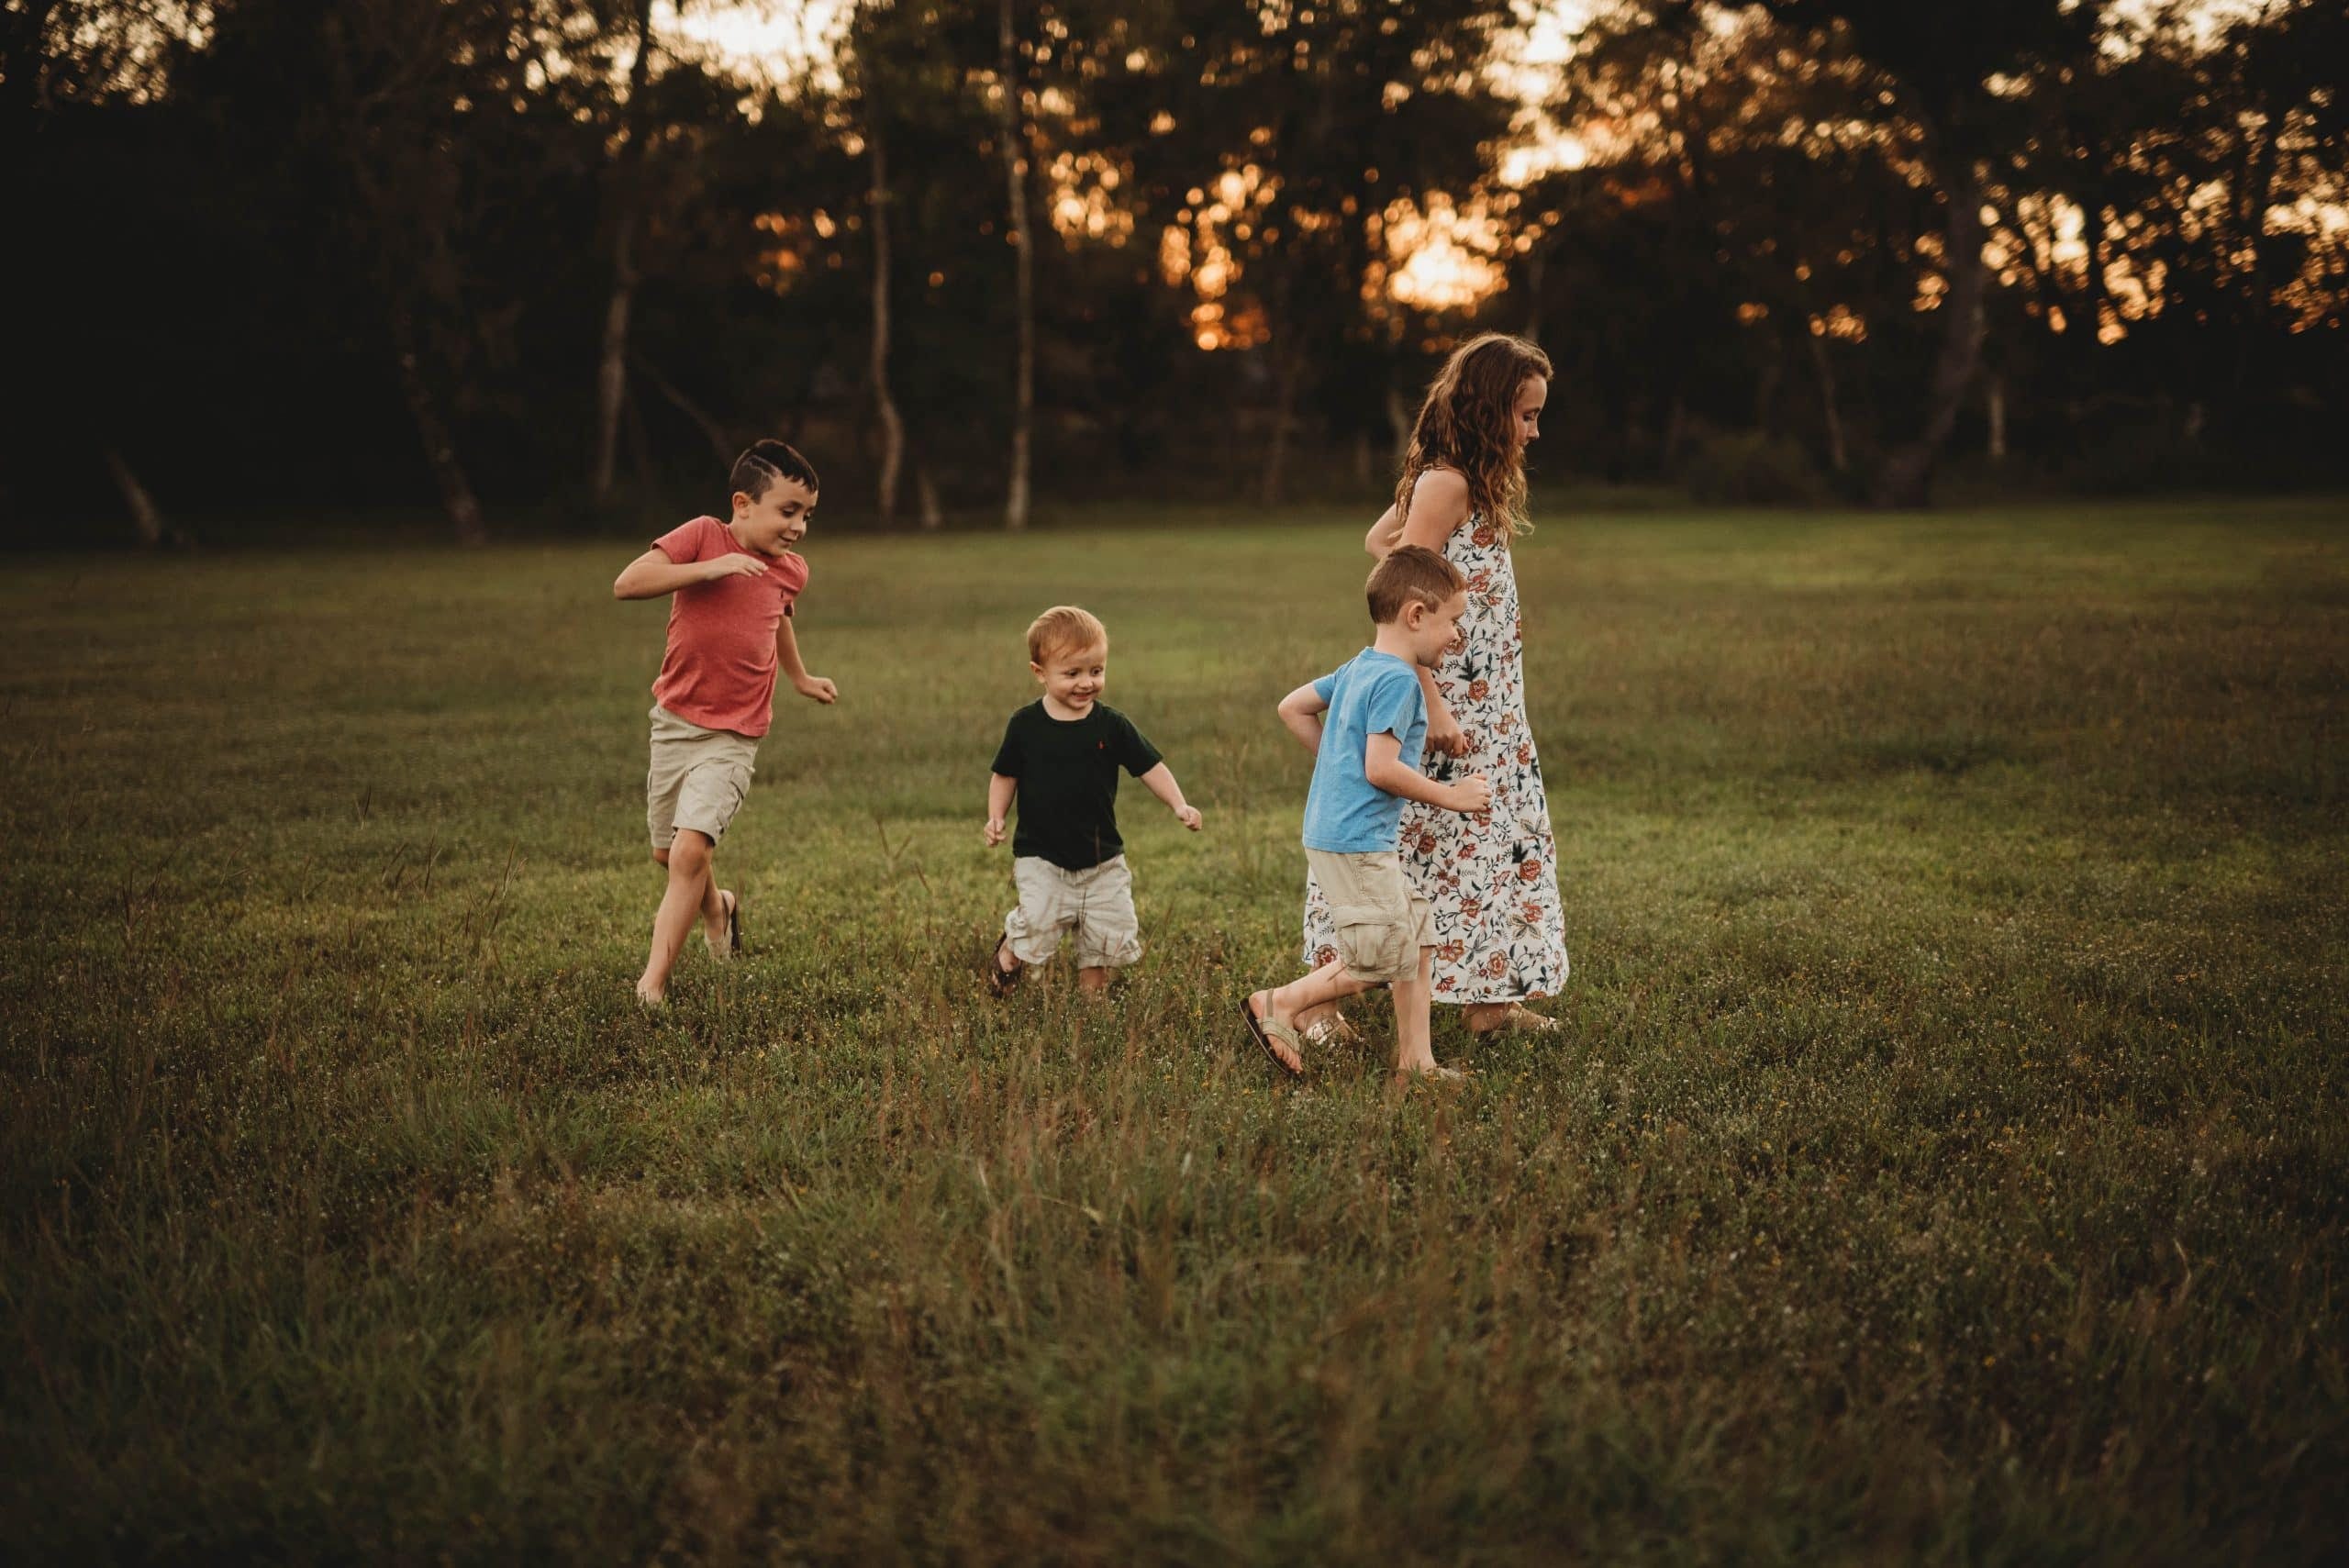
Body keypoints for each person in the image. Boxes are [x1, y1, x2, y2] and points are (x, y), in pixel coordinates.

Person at [1298, 334, 1569, 1046]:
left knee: (1485, 845)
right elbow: (1401, 589)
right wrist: (1435, 702)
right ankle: (1319, 1003)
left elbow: (1378, 541)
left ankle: (1491, 1000)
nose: (1535, 432)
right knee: (1404, 839)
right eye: (1526, 415)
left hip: (1490, 704)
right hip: (1440, 699)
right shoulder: (1447, 484)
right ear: (1488, 408)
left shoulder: (1458, 482)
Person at [1241, 546, 1491, 1081]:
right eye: (1452, 622)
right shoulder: (1400, 681)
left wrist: (1338, 764)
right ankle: (1280, 1003)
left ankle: (1416, 1060)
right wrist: (1452, 796)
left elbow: (1292, 707)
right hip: (1357, 839)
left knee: (1416, 937)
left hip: (1342, 833)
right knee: (1379, 957)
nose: (1456, 635)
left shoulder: (1359, 667)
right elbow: (1381, 768)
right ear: (1416, 615)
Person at [612, 439, 836, 1006]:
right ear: (743, 503)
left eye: (806, 515)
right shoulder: (702, 536)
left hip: (735, 733)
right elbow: (627, 583)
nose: (799, 527)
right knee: (669, 854)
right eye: (788, 511)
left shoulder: (790, 571)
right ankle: (720, 906)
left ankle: (652, 984)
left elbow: (777, 620)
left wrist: (801, 678)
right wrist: (711, 568)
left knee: (689, 853)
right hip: (675, 722)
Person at [984, 606, 1203, 995]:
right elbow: (1005, 774)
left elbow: (1150, 766)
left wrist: (1179, 805)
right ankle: (1010, 953)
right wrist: (996, 817)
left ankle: (1092, 1011)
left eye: (1096, 671)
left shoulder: (1111, 725)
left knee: (1106, 932)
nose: (1086, 683)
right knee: (1039, 920)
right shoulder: (1025, 726)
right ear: (1040, 672)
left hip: (1103, 858)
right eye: (1072, 674)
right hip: (1041, 856)